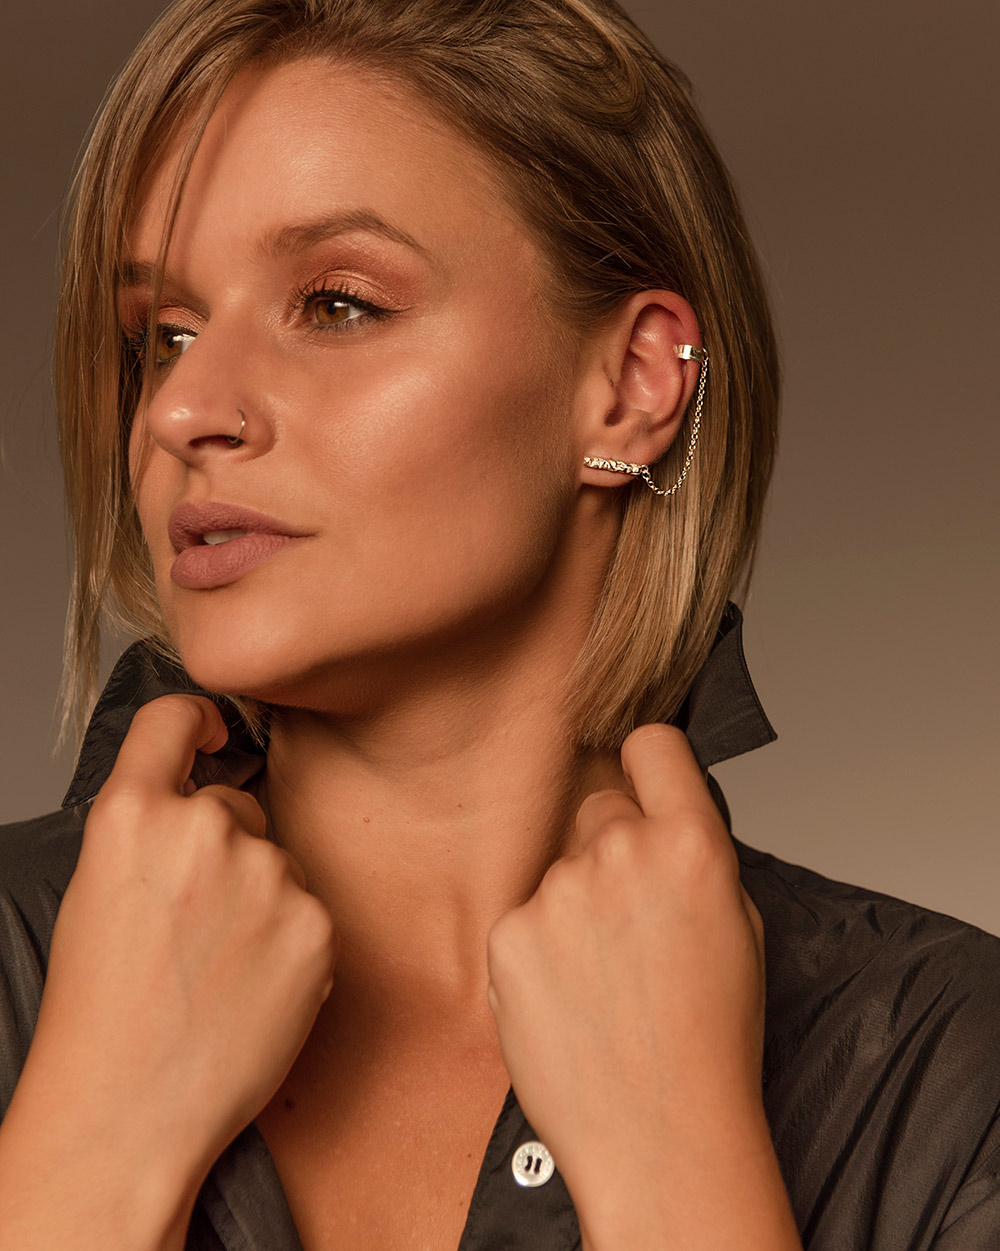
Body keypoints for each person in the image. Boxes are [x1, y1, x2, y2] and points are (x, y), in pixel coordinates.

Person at [0, 1, 997, 1248]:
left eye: (337, 305)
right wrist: (98, 1143)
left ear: (631, 387)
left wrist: (679, 1164)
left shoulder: (949, 1074)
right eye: (165, 335)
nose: (180, 408)